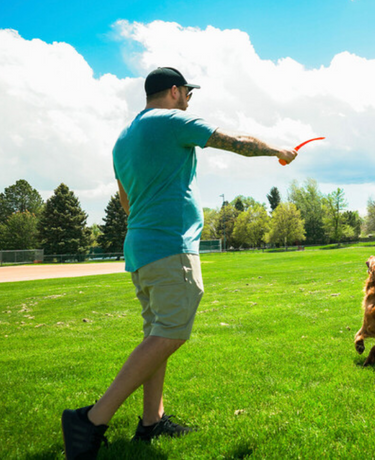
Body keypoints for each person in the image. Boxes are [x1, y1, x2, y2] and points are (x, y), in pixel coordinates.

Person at [61, 67, 297, 459]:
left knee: (157, 334)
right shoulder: (173, 120)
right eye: (188, 93)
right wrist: (278, 151)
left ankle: (151, 421)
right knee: (171, 334)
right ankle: (91, 420)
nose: (189, 101)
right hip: (171, 246)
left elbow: (125, 201)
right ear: (174, 91)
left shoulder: (124, 138)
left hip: (140, 248)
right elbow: (235, 141)